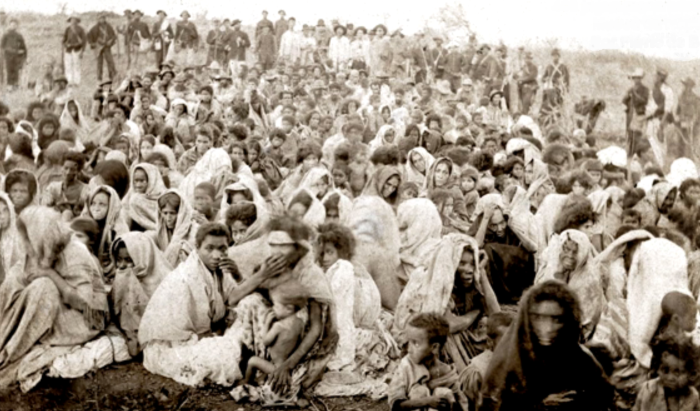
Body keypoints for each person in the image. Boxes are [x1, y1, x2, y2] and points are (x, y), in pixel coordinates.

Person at [0, 207, 109, 383]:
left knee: (44, 287)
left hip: (86, 318)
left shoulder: (75, 252)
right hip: (58, 309)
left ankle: (13, 349)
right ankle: (5, 339)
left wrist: (50, 274)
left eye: (29, 237)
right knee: (13, 283)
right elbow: (22, 274)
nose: (27, 243)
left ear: (41, 233)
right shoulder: (38, 248)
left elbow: (85, 302)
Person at [480, 281, 613, 411]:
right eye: (540, 318)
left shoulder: (583, 361)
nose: (547, 328)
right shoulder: (514, 361)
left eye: (556, 319)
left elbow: (603, 398)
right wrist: (540, 405)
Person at [388, 312, 469, 411]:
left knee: (444, 392)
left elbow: (461, 403)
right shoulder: (406, 366)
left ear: (434, 347)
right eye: (409, 341)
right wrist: (427, 401)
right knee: (419, 391)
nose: (409, 349)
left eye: (416, 343)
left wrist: (450, 403)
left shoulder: (447, 373)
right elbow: (396, 405)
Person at [111, 231, 172, 356]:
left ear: (143, 257)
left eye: (128, 260)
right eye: (119, 260)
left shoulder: (163, 280)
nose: (122, 265)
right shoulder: (122, 277)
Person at [241, 280, 308, 385]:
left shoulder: (278, 326)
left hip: (277, 367)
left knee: (253, 361)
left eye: (276, 306)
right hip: (290, 364)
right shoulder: (300, 323)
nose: (272, 308)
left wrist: (267, 323)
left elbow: (265, 341)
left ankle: (246, 381)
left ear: (289, 309)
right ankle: (264, 378)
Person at [633, 336, 700, 411]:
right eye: (665, 370)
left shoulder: (692, 396)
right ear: (658, 369)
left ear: (691, 374)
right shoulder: (648, 389)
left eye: (677, 372)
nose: (670, 378)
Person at [623, 69, 650, 158]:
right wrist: (626, 97)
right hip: (630, 113)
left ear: (640, 79)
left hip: (639, 114)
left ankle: (637, 152)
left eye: (637, 78)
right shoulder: (631, 89)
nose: (635, 80)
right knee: (630, 133)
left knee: (637, 133)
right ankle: (631, 151)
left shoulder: (645, 90)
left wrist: (635, 95)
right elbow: (623, 101)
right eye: (634, 78)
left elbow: (645, 101)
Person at [540, 48, 570, 123]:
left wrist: (567, 87)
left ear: (559, 56)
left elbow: (567, 78)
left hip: (559, 87)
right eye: (553, 56)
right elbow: (543, 77)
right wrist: (545, 79)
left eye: (556, 56)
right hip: (549, 87)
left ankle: (559, 117)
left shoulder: (563, 66)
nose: (555, 57)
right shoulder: (549, 66)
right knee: (546, 102)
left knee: (559, 103)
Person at [87, 13, 117, 83]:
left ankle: (112, 77)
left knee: (110, 61)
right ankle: (99, 79)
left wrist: (111, 41)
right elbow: (89, 36)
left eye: (103, 18)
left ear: (105, 19)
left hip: (106, 46)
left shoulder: (108, 26)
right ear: (98, 19)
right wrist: (93, 44)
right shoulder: (94, 28)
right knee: (99, 63)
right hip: (99, 47)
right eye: (100, 18)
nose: (102, 20)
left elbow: (113, 36)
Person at [1, 19, 27, 91]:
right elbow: (2, 45)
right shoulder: (6, 35)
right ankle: (9, 85)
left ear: (17, 26)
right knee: (9, 69)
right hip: (8, 55)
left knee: (16, 69)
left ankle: (15, 84)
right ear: (9, 25)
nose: (13, 26)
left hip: (16, 55)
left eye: (15, 25)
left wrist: (23, 53)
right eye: (12, 25)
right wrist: (6, 51)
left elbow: (23, 46)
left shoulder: (19, 36)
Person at [62, 16, 87, 87]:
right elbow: (64, 40)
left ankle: (77, 82)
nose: (73, 21)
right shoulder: (67, 29)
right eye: (71, 20)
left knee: (77, 66)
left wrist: (82, 51)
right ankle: (69, 81)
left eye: (74, 20)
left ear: (77, 21)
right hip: (68, 50)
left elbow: (84, 41)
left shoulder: (81, 29)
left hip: (77, 49)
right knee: (68, 66)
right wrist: (66, 45)